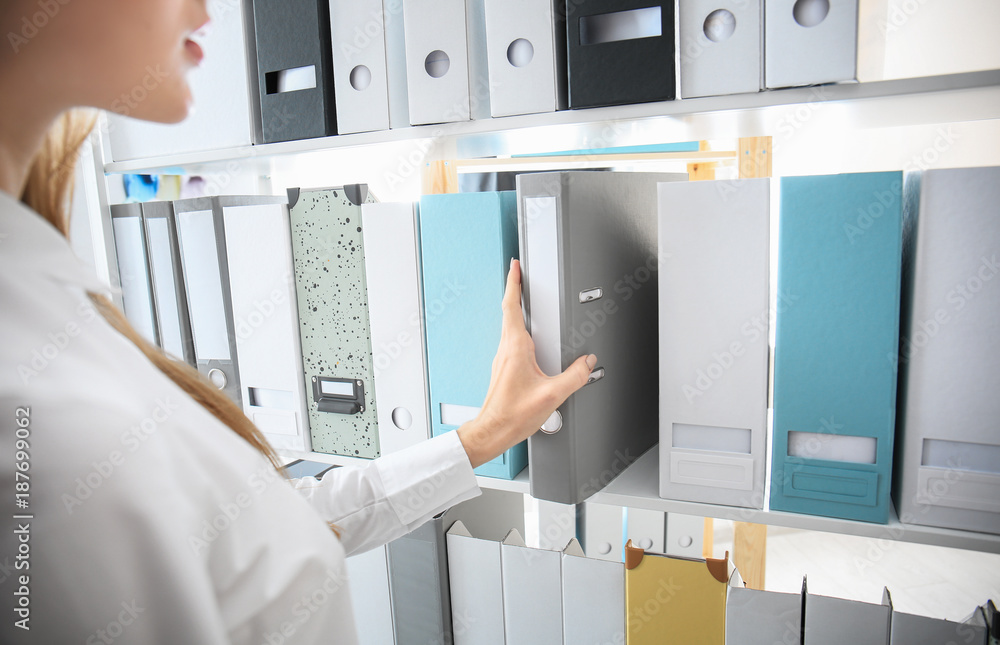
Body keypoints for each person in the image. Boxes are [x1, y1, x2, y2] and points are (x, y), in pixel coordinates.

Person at [0, 1, 596, 642]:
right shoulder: (35, 412)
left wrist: (482, 436)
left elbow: (272, 527)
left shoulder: (53, 308)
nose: (205, 10)